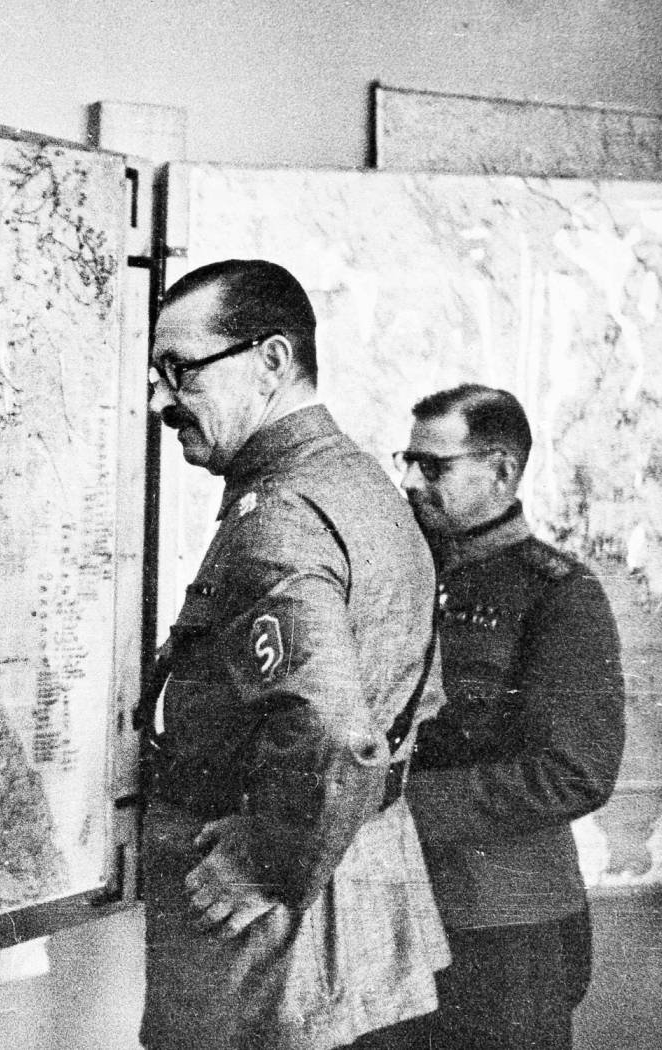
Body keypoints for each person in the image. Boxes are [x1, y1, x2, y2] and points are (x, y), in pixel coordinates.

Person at [141, 259, 450, 1050]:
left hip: (277, 943)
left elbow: (336, 735)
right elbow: (418, 693)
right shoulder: (362, 488)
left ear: (273, 362)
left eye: (180, 371)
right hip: (354, 906)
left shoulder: (280, 517)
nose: (159, 400)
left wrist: (271, 860)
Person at [372, 384, 625, 1049]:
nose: (409, 481)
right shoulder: (399, 582)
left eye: (433, 466)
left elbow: (575, 772)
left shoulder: (560, 596)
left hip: (507, 926)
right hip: (392, 911)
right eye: (407, 460)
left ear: (503, 470)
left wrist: (403, 809)